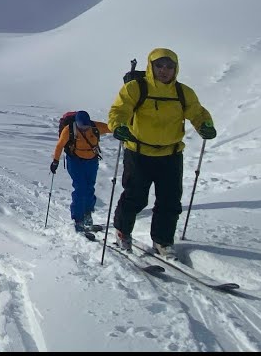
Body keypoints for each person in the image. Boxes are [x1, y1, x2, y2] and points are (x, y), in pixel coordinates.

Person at [108, 48, 216, 256]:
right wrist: (118, 125)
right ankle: (122, 231)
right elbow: (119, 110)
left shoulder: (183, 92)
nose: (164, 70)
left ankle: (163, 240)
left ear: (176, 69)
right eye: (159, 65)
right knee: (135, 197)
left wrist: (205, 125)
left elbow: (197, 112)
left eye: (169, 66)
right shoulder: (136, 88)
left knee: (170, 200)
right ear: (151, 66)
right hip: (138, 153)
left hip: (171, 155)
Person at [51, 110, 112, 232]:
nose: (84, 129)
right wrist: (55, 161)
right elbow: (60, 145)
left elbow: (112, 128)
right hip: (75, 161)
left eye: (86, 126)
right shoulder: (69, 130)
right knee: (80, 188)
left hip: (92, 161)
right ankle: (78, 219)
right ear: (76, 123)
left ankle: (87, 214)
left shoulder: (96, 127)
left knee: (89, 187)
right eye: (81, 126)